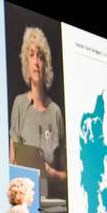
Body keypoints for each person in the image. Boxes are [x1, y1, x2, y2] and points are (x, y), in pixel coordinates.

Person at [9, 26, 65, 197]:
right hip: (25, 200)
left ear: (45, 64)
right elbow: (12, 162)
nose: (36, 62)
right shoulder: (20, 104)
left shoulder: (55, 112)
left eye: (40, 56)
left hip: (52, 202)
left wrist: (51, 173)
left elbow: (67, 177)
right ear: (26, 62)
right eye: (32, 55)